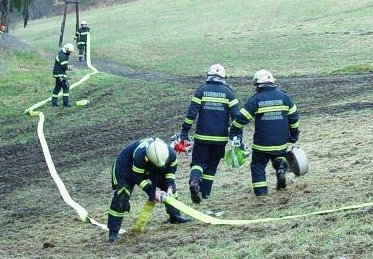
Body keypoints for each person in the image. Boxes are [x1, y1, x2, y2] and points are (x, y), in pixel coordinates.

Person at [178, 63, 242, 203]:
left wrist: (184, 132)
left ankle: (194, 181)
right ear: (224, 77)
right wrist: (237, 135)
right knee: (212, 165)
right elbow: (237, 117)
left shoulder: (201, 91)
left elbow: (191, 114)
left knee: (198, 162)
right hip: (220, 139)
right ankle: (205, 194)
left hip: (201, 137)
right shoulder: (229, 93)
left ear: (209, 76)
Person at [229, 69, 300, 196]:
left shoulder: (256, 99)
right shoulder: (285, 97)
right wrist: (294, 135)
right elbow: (294, 117)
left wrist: (234, 129)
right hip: (281, 142)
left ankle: (261, 194)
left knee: (258, 166)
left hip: (262, 144)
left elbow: (242, 118)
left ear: (257, 85)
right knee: (278, 156)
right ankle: (281, 170)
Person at [108, 137, 191, 242]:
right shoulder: (140, 156)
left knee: (169, 187)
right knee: (122, 195)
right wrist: (152, 191)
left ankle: (175, 216)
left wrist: (169, 187)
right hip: (126, 168)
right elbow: (137, 176)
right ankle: (113, 232)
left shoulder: (171, 154)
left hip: (149, 166)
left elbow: (170, 172)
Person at [51, 43, 74, 107]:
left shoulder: (62, 52)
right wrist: (69, 68)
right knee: (66, 86)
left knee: (57, 87)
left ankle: (54, 103)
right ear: (67, 50)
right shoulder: (63, 56)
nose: (70, 53)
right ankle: (65, 103)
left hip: (58, 73)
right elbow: (64, 66)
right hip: (60, 74)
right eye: (70, 52)